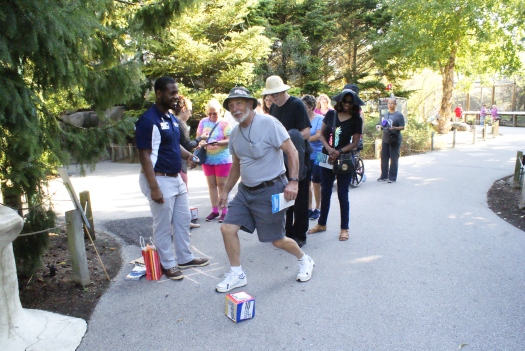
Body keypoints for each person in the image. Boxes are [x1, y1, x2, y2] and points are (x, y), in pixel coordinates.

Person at [215, 87, 314, 292]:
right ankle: (237, 274)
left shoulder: (269, 123)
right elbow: (236, 165)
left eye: (239, 103)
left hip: (271, 189)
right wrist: (225, 191)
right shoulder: (234, 134)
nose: (235, 108)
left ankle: (304, 260)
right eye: (231, 105)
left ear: (251, 104)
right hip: (245, 191)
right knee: (227, 228)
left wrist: (293, 181)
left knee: (277, 240)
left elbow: (292, 151)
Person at [135, 76, 210, 280]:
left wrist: (189, 156)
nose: (176, 97)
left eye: (177, 92)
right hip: (158, 179)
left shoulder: (170, 118)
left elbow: (173, 145)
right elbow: (144, 155)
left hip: (176, 177)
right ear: (159, 93)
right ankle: (168, 264)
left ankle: (185, 257)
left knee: (183, 219)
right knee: (163, 224)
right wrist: (154, 188)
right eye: (172, 93)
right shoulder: (147, 120)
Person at [307, 88, 364, 241]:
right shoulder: (331, 114)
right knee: (325, 191)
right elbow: (322, 136)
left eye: (350, 102)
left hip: (344, 159)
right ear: (340, 101)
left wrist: (338, 151)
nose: (347, 104)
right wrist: (329, 149)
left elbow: (355, 143)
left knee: (342, 194)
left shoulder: (356, 119)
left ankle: (344, 228)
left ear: (354, 104)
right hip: (326, 157)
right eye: (344, 101)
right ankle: (322, 223)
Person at [264, 75, 311, 248]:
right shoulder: (274, 109)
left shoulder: (297, 104)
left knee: (300, 198)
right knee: (286, 197)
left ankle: (300, 234)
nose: (274, 97)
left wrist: (289, 138)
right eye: (271, 94)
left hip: (299, 158)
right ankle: (287, 232)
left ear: (284, 90)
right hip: (281, 160)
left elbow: (305, 132)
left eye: (276, 93)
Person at [196, 99, 232, 223]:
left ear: (220, 112)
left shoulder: (224, 123)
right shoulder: (203, 122)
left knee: (222, 185)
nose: (212, 116)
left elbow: (230, 140)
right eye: (210, 113)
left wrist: (217, 143)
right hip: (207, 159)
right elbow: (198, 138)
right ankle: (214, 210)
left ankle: (224, 210)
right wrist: (201, 142)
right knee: (211, 185)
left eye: (215, 113)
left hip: (222, 159)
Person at [173, 95, 207, 229]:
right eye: (190, 111)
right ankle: (182, 225)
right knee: (182, 195)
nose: (190, 114)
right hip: (180, 164)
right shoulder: (180, 123)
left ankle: (184, 222)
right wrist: (200, 139)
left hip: (178, 162)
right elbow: (186, 144)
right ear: (183, 109)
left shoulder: (172, 121)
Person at [301, 95, 323, 221]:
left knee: (317, 182)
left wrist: (302, 139)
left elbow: (319, 135)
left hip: (319, 154)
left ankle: (318, 207)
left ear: (310, 107)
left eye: (304, 106)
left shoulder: (320, 118)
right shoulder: (302, 120)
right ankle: (308, 207)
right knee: (306, 182)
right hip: (306, 154)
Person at [377, 98, 405, 183]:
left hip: (395, 138)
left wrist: (395, 128)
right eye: (389, 103)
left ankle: (392, 177)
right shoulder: (386, 114)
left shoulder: (399, 115)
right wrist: (380, 127)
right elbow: (384, 124)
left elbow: (402, 127)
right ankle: (384, 176)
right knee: (384, 157)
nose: (390, 105)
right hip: (386, 138)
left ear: (395, 104)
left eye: (392, 103)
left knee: (393, 158)